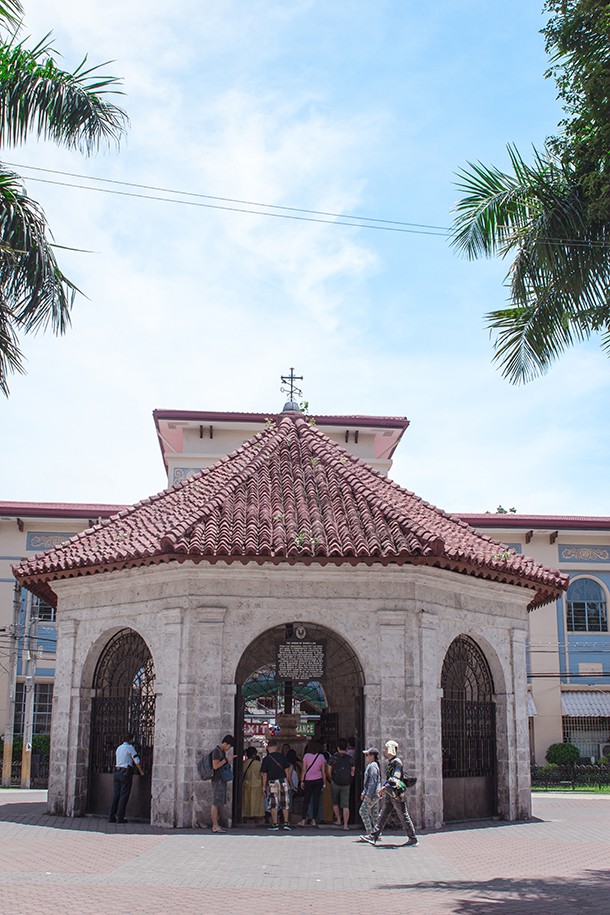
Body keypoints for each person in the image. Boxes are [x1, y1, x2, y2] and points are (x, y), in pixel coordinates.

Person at [361, 739, 418, 846]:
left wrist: (384, 787)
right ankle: (373, 836)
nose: (385, 750)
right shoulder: (391, 762)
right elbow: (388, 779)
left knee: (403, 816)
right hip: (390, 793)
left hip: (396, 794)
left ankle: (413, 838)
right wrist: (383, 788)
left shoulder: (397, 763)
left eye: (386, 748)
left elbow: (395, 777)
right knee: (383, 815)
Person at [108, 733, 144, 824]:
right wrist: (141, 771)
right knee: (124, 795)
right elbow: (136, 760)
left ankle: (111, 816)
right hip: (125, 774)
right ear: (131, 740)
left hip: (117, 773)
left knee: (116, 795)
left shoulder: (119, 748)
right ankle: (120, 817)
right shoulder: (130, 748)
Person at [260, 740, 293, 830]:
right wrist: (287, 780)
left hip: (272, 782)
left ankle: (275, 824)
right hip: (283, 780)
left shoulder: (266, 759)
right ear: (276, 747)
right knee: (285, 802)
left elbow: (264, 774)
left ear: (267, 748)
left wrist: (264, 786)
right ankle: (286, 823)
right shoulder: (282, 756)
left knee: (273, 803)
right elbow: (287, 769)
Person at [297, 740, 326, 827]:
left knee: (306, 800)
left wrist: (302, 780)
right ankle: (314, 820)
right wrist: (324, 782)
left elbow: (303, 769)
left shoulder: (306, 756)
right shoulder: (321, 756)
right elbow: (323, 771)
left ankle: (303, 820)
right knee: (316, 800)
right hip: (318, 779)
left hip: (308, 780)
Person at [328, 737, 355, 829]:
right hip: (346, 783)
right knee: (345, 804)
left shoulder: (333, 758)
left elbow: (328, 771)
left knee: (335, 802)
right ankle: (345, 825)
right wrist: (350, 779)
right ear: (346, 748)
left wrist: (332, 779)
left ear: (338, 748)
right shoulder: (350, 759)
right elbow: (353, 771)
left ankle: (338, 820)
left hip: (335, 782)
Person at [211, 735, 236, 833]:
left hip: (220, 780)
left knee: (218, 803)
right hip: (217, 780)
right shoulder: (217, 752)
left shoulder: (221, 752)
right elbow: (215, 766)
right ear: (225, 743)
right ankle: (215, 825)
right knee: (215, 803)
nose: (229, 749)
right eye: (229, 746)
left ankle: (217, 824)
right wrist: (226, 760)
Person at [359, 747, 380, 836]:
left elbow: (372, 782)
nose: (366, 757)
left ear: (372, 756)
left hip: (373, 794)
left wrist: (368, 795)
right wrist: (364, 793)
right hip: (374, 794)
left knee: (363, 811)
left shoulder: (373, 766)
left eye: (367, 755)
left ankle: (369, 832)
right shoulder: (372, 766)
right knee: (374, 813)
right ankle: (376, 833)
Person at [242, 746, 264, 821]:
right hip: (257, 785)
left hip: (246, 785)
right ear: (255, 754)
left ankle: (244, 818)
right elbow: (262, 775)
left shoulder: (244, 764)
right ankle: (256, 818)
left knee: (246, 802)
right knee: (256, 803)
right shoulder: (258, 764)